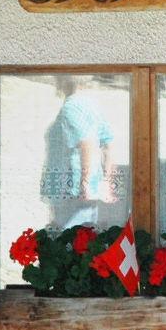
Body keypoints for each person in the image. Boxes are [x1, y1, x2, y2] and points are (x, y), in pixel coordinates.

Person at [42, 76, 115, 228]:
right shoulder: (92, 105)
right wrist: (106, 181)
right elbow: (108, 144)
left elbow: (86, 143)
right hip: (86, 190)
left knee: (69, 243)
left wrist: (85, 183)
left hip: (72, 190)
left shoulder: (71, 107)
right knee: (84, 242)